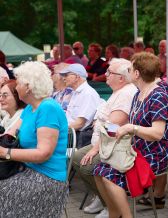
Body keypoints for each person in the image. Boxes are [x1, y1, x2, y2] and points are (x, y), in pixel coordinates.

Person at [94, 52, 168, 217]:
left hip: (155, 153)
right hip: (139, 149)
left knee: (108, 174)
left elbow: (158, 133)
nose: (128, 72)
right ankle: (115, 214)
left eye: (130, 69)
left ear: (137, 74)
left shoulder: (157, 95)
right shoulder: (139, 93)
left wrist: (132, 128)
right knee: (98, 170)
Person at [0, 61, 68, 217]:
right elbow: (10, 133)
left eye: (18, 84)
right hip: (27, 169)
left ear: (28, 86)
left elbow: (43, 153)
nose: (16, 88)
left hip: (46, 178)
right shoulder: (31, 107)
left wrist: (5, 153)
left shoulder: (48, 108)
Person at [72, 58, 137, 218]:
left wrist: (94, 149)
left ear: (121, 78)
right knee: (77, 157)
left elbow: (112, 127)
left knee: (87, 165)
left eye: (110, 72)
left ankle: (111, 204)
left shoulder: (127, 94)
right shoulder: (118, 91)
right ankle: (104, 199)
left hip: (116, 146)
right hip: (104, 143)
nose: (105, 74)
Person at [60, 63, 101, 148]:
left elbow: (80, 123)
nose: (64, 78)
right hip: (70, 135)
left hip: (75, 138)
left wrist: (58, 131)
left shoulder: (88, 93)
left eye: (66, 75)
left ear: (77, 77)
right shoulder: (77, 92)